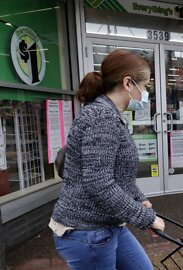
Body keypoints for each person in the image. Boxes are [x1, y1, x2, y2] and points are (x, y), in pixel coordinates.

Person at [50, 49, 165, 269]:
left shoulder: (110, 115)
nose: (145, 92)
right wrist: (145, 218)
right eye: (145, 86)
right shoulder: (102, 118)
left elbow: (115, 173)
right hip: (87, 231)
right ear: (128, 83)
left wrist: (138, 198)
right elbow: (99, 183)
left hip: (109, 223)